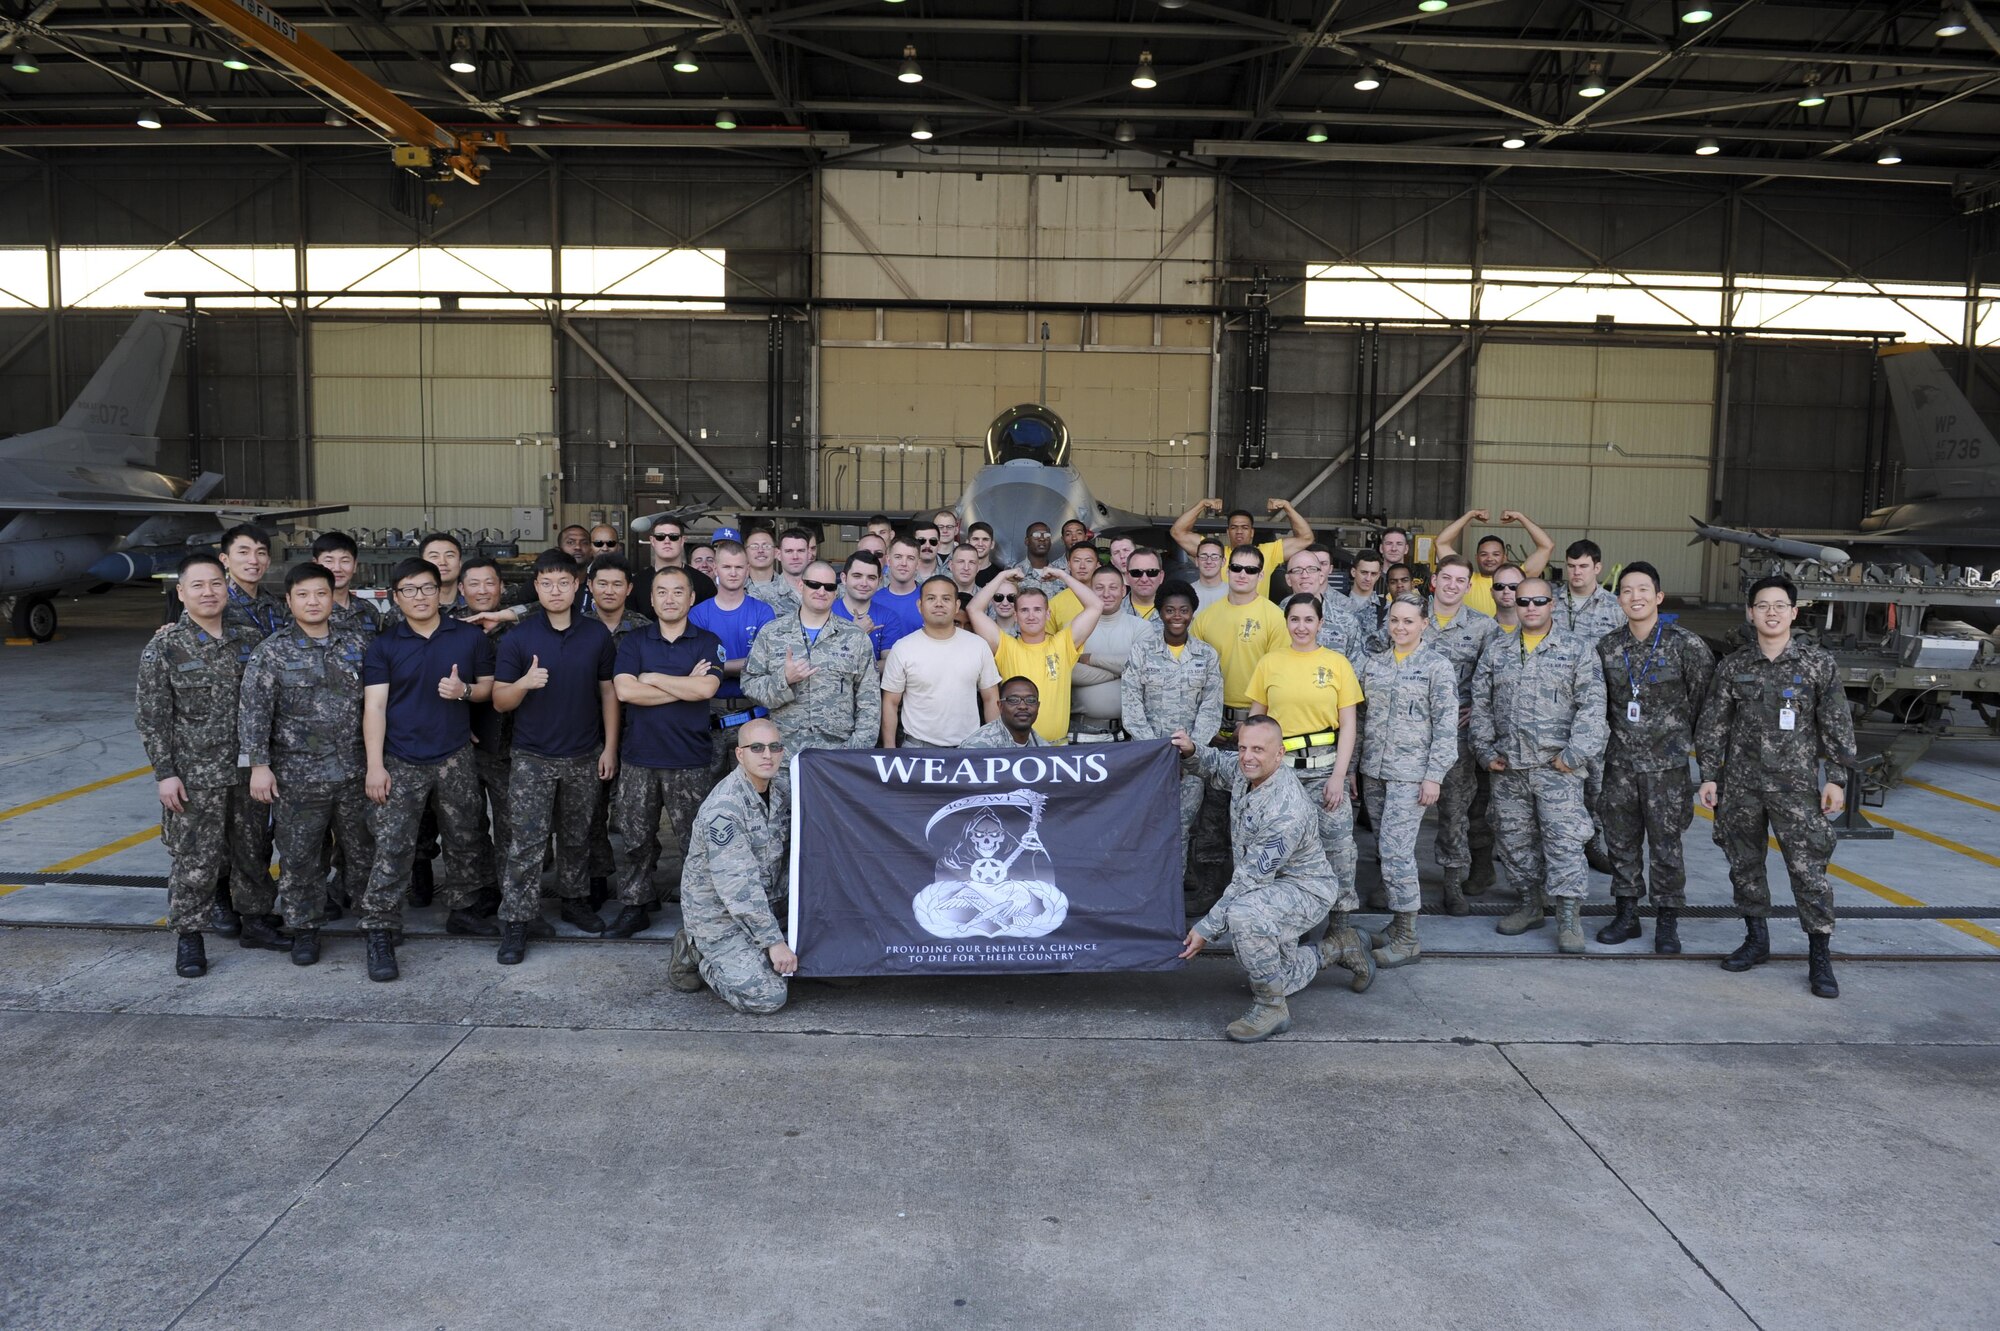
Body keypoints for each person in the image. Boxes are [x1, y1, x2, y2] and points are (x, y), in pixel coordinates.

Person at [1697, 575, 1856, 999]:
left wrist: (1836, 779)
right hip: (1742, 787)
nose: (1771, 612)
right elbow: (1714, 724)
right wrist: (1709, 775)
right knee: (1744, 865)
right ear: (1750, 613)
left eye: (1779, 605)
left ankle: (1819, 956)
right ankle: (1756, 939)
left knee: (1809, 872)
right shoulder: (1733, 666)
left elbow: (1836, 723)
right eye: (1762, 605)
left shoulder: (1816, 664)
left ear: (1793, 612)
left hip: (1797, 789)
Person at [1170, 716, 1374, 1042]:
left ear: (1279, 754)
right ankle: (1338, 948)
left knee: (1244, 916)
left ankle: (1271, 1007)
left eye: (1258, 750)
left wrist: (1205, 929)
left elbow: (1251, 880)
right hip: (1272, 888)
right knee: (1277, 973)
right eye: (1243, 747)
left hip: (1304, 888)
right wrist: (1191, 750)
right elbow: (1216, 765)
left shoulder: (1286, 808)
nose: (1247, 756)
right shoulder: (1246, 770)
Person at [138, 552, 285, 978]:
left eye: (216, 584)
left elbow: (266, 706)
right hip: (194, 777)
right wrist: (165, 774)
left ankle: (256, 921)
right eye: (198, 586)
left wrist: (265, 762)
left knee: (253, 850)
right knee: (195, 860)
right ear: (181, 594)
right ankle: (189, 937)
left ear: (226, 589)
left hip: (247, 773)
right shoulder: (164, 647)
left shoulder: (250, 641)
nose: (209, 592)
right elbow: (152, 717)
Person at [360, 557, 497, 982]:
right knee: (393, 846)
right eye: (408, 590)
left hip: (453, 754)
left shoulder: (469, 638)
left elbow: (489, 688)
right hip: (401, 759)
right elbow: (375, 707)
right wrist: (375, 766)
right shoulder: (385, 645)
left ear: (440, 591)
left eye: (426, 588)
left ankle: (463, 909)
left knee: (466, 836)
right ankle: (380, 927)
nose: (418, 597)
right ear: (395, 597)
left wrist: (465, 690)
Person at [239, 563, 375, 967]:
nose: (313, 602)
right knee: (300, 859)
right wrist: (259, 766)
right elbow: (254, 714)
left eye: (321, 593)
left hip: (355, 772)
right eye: (303, 595)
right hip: (298, 779)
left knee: (364, 853)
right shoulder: (272, 652)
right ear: (289, 601)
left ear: (333, 597)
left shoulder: (358, 646)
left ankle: (376, 923)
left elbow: (380, 705)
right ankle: (304, 929)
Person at [490, 551, 619, 962]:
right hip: (532, 757)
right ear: (537, 587)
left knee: (577, 837)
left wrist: (610, 747)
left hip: (584, 753)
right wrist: (524, 683)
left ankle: (574, 900)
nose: (555, 590)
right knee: (526, 843)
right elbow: (498, 701)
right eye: (546, 583)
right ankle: (516, 920)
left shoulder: (596, 635)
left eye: (564, 582)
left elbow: (608, 694)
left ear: (577, 584)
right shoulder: (518, 638)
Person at [1470, 576, 1608, 953]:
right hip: (1509, 767)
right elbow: (1480, 704)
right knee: (1515, 841)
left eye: (1539, 601)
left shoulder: (1577, 649)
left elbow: (1593, 708)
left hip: (1556, 768)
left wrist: (1573, 756)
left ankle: (1568, 916)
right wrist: (1484, 751)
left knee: (1564, 842)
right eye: (1524, 600)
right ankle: (1531, 903)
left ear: (1552, 604)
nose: (1530, 607)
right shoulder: (1497, 649)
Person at [1596, 562, 1715, 953]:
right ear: (1619, 600)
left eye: (1643, 590)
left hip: (1667, 769)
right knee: (1621, 843)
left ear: (1658, 597)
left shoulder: (1687, 646)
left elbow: (1705, 710)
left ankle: (1667, 920)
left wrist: (1707, 766)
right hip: (1621, 766)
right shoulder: (1608, 647)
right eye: (1627, 591)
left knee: (1667, 846)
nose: (1635, 597)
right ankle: (1627, 914)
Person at [606, 568, 726, 939]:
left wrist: (653, 678)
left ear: (692, 599)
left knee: (695, 842)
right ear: (652, 599)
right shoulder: (635, 641)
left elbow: (707, 689)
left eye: (678, 592)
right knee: (635, 840)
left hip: (689, 759)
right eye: (662, 592)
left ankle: (699, 910)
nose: (670, 598)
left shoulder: (707, 640)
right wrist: (683, 684)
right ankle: (634, 905)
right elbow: (625, 692)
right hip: (640, 757)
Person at [1245, 594, 1365, 934]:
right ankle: (1291, 924)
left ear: (1320, 623)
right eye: (1295, 619)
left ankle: (1340, 926)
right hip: (1282, 775)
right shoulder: (1270, 662)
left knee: (1339, 848)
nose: (1301, 626)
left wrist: (1339, 776)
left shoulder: (1337, 663)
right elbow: (1257, 719)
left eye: (1308, 620)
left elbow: (1349, 726)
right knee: (1281, 850)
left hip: (1326, 771)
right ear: (1287, 623)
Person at [1355, 595, 1458, 967]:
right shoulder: (1375, 664)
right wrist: (1352, 768)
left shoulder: (1436, 667)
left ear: (1424, 624)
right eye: (1395, 621)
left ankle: (1409, 936)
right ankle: (1398, 924)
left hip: (1412, 775)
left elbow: (1447, 727)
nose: (1400, 627)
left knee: (1397, 852)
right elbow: (1361, 721)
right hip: (1375, 772)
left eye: (1409, 622)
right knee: (1386, 850)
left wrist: (1434, 776)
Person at [666, 717, 796, 1014]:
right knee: (767, 997)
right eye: (757, 747)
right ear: (740, 754)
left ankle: (758, 951)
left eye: (775, 747)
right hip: (721, 915)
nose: (767, 754)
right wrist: (773, 942)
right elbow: (738, 888)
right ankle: (697, 951)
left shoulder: (783, 789)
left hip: (771, 902)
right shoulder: (724, 809)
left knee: (827, 963)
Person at [1421, 555, 1502, 914]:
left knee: (1455, 811)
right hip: (1408, 734)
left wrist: (1479, 709)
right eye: (1446, 578)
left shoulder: (1483, 627)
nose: (1452, 585)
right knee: (1399, 810)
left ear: (1470, 586)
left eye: (1460, 580)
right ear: (1434, 581)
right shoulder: (1409, 615)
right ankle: (1393, 879)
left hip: (1456, 737)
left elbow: (1494, 679)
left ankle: (1452, 881)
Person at [741, 560, 881, 752]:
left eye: (829, 587)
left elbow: (870, 702)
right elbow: (749, 686)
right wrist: (784, 680)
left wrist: (854, 751)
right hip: (784, 754)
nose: (821, 591)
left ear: (836, 591)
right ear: (801, 585)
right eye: (814, 585)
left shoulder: (855, 637)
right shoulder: (772, 633)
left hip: (837, 754)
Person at [1123, 580, 1224, 845]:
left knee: (1180, 830)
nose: (1176, 616)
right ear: (1159, 612)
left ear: (1192, 613)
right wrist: (1160, 754)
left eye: (1183, 610)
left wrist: (1188, 752)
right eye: (1170, 610)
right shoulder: (1141, 651)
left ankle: (1174, 886)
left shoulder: (1206, 655)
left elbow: (1211, 709)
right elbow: (1132, 706)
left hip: (1191, 762)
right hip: (1149, 760)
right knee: (1147, 828)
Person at [582, 555, 651, 907]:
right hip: (584, 733)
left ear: (629, 589)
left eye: (617, 584)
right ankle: (596, 879)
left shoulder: (643, 629)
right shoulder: (577, 626)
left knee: (636, 814)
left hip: (637, 732)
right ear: (590, 586)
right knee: (591, 812)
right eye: (602, 583)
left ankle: (642, 886)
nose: (610, 590)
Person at [968, 565, 1102, 745]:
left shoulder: (1063, 644)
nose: (1031, 616)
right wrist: (1002, 575)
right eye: (1024, 610)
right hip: (1017, 749)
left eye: (1037, 609)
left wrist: (1063, 575)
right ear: (1015, 615)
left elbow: (1096, 605)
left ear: (1048, 614)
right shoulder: (1007, 647)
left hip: (1057, 748)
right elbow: (973, 609)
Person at [456, 558, 515, 930]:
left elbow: (556, 602)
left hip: (511, 745)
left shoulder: (520, 628)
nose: (482, 591)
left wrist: (512, 615)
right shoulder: (448, 629)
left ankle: (513, 897)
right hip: (462, 745)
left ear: (501, 587)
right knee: (467, 826)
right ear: (461, 589)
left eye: (489, 583)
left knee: (513, 827)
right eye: (473, 584)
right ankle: (479, 894)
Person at [689, 540, 778, 775]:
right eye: (727, 567)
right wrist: (741, 665)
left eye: (739, 567)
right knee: (708, 793)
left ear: (748, 569)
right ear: (716, 569)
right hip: (709, 716)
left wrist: (717, 668)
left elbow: (763, 663)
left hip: (752, 713)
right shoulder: (699, 614)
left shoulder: (763, 612)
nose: (733, 572)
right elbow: (695, 667)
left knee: (752, 789)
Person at [881, 575, 1001, 748]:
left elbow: (991, 699)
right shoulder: (902, 648)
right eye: (931, 598)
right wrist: (890, 752)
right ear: (920, 606)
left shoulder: (978, 646)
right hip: (917, 750)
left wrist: (993, 749)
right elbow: (890, 703)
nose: (939, 604)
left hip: (968, 749)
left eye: (946, 598)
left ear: (956, 605)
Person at [1190, 543, 1286, 740]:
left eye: (1251, 570)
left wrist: (1254, 719)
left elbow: (1278, 678)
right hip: (1210, 718)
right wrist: (1204, 722)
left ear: (1261, 575)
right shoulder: (1205, 617)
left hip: (1257, 719)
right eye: (1236, 568)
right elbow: (1192, 674)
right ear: (1227, 571)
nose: (1242, 574)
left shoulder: (1276, 617)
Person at [1170, 498, 1313, 602]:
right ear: (1228, 531)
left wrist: (1287, 507)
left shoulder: (1268, 552)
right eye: (1234, 527)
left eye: (1244, 527)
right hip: (1221, 619)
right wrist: (1201, 504)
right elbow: (1178, 532)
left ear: (1252, 532)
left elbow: (1306, 538)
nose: (1239, 531)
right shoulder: (1215, 553)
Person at [1067, 566, 1145, 742]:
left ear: (1123, 590)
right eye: (1099, 587)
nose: (1106, 593)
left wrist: (1092, 659)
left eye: (1113, 587)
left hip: (1127, 734)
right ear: (1090, 591)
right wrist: (1119, 672)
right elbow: (1067, 670)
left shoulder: (1141, 627)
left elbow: (1141, 666)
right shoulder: (1074, 628)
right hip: (1080, 733)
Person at [1435, 508, 1554, 617]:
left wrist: (1520, 517)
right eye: (1484, 554)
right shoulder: (1464, 579)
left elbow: (1546, 546)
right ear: (1476, 557)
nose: (1490, 558)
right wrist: (1469, 515)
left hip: (1508, 638)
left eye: (1496, 554)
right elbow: (1441, 543)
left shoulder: (1518, 578)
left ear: (1505, 557)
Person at [1279, 550, 1363, 658]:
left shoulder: (1347, 622)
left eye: (1311, 569)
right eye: (1297, 570)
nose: (1305, 575)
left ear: (1321, 577)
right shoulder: (1275, 618)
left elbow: (1355, 669)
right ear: (1288, 579)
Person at [217, 523, 288, 641]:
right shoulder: (214, 602)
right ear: (225, 560)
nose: (254, 560)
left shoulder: (274, 604)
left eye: (261, 553)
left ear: (268, 561)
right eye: (243, 552)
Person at [632, 515, 717, 608]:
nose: (667, 541)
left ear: (682, 541)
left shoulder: (704, 583)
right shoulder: (637, 583)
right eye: (660, 537)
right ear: (652, 541)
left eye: (673, 537)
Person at [312, 531, 383, 638]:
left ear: (355, 565)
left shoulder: (368, 610)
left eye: (344, 561)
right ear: (315, 564)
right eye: (329, 561)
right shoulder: (308, 609)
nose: (337, 568)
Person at [833, 550, 893, 657]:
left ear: (879, 582)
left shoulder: (889, 617)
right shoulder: (827, 612)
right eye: (857, 576)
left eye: (871, 578)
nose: (864, 583)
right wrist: (857, 633)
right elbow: (821, 661)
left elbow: (888, 663)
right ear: (844, 578)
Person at [959, 676, 1048, 748]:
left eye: (1030, 700)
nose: (1023, 706)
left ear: (1038, 706)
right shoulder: (978, 746)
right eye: (1013, 700)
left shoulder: (1043, 748)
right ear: (1000, 706)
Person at [872, 535, 927, 648]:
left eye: (910, 558)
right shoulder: (873, 600)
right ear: (888, 560)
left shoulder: (929, 598)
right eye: (898, 557)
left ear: (918, 564)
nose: (904, 563)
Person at [1045, 543, 1100, 631]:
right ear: (1069, 565)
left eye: (1088, 561)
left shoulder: (1106, 597)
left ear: (1097, 565)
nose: (1082, 566)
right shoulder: (1055, 603)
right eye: (1077, 561)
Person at [1016, 522, 1066, 599]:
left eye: (1047, 536)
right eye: (1036, 535)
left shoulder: (1061, 574)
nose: (1042, 539)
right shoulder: (1014, 573)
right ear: (1027, 541)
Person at [1345, 549, 1386, 634]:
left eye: (1373, 574)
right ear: (1353, 572)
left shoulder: (1386, 608)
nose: (1368, 578)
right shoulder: (1335, 602)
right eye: (1364, 572)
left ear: (1378, 576)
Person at [1121, 547, 1165, 622]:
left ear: (1161, 576)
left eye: (1152, 572)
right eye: (1136, 573)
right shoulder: (1111, 613)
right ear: (1127, 577)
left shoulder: (1179, 614)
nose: (1144, 579)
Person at [776, 528, 816, 602]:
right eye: (789, 551)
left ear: (809, 554)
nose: (795, 557)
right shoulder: (761, 595)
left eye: (801, 551)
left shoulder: (825, 591)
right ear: (778, 555)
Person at [1191, 536, 1228, 610]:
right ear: (1196, 561)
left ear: (1223, 562)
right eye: (1203, 556)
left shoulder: (1232, 593)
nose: (1209, 561)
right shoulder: (1187, 592)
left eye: (1215, 557)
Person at [1488, 563, 1525, 634]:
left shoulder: (1543, 629)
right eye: (1499, 586)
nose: (1506, 591)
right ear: (1492, 592)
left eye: (1513, 586)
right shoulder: (1480, 631)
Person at [965, 521, 1001, 586]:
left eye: (985, 539)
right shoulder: (959, 572)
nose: (980, 544)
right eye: (975, 539)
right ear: (967, 543)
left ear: (992, 544)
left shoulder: (999, 576)